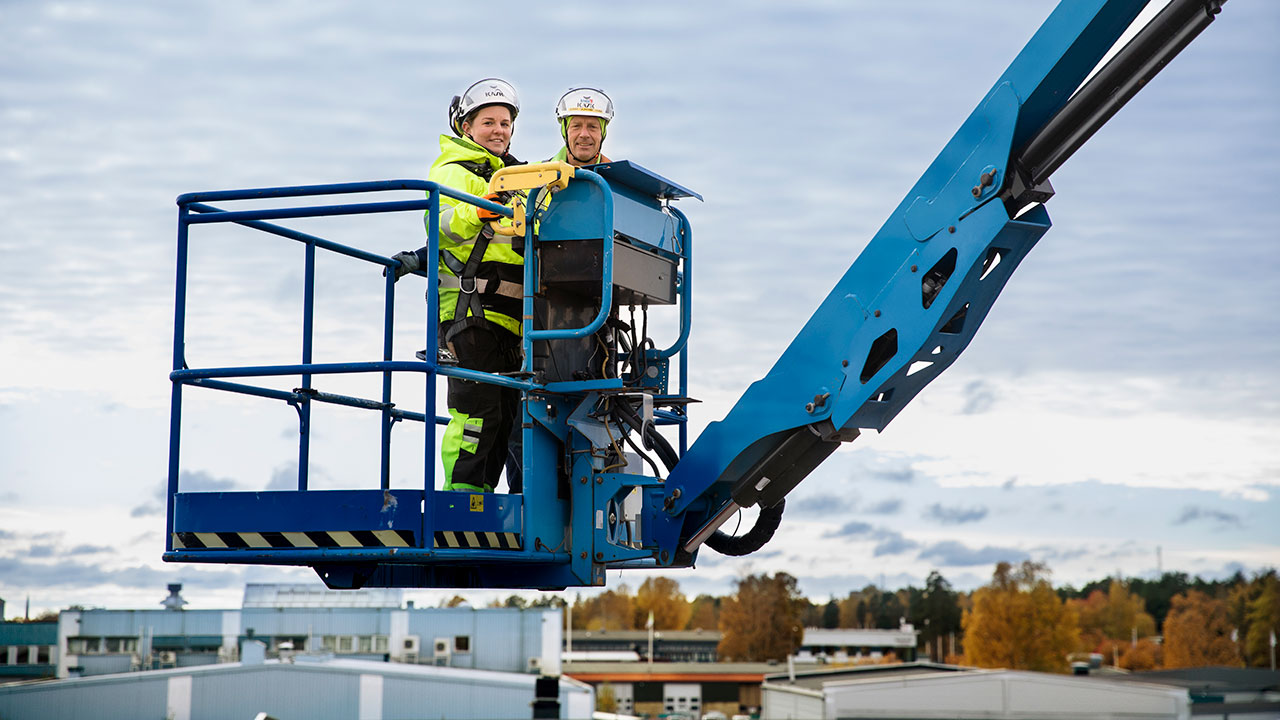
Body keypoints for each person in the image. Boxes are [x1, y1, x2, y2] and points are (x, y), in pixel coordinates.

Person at [389, 78, 525, 494]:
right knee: (477, 413)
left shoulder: (514, 176)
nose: (499, 130)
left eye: (505, 123)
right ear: (466, 127)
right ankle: (462, 502)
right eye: (488, 122)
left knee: (506, 415)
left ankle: (488, 502)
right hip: (468, 313)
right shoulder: (452, 172)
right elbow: (442, 222)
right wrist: (481, 211)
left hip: (511, 320)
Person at [551, 87, 614, 166]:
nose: (584, 135)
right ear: (565, 131)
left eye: (592, 127)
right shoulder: (535, 174)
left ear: (602, 133)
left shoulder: (620, 177)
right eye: (576, 126)